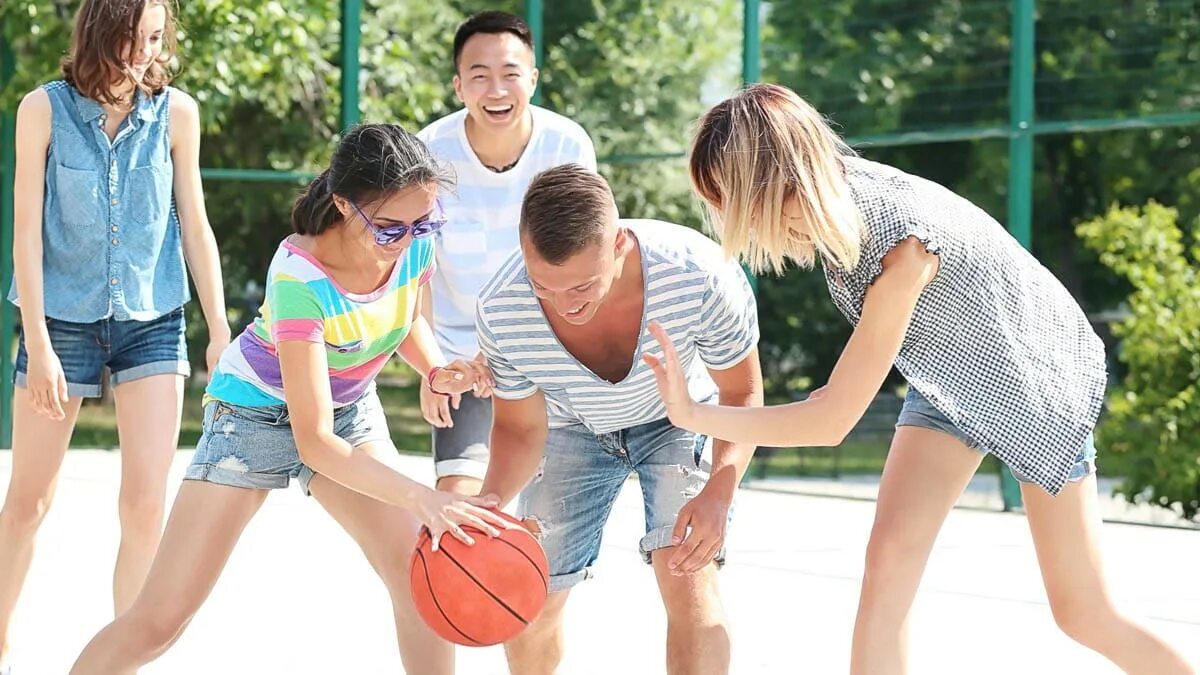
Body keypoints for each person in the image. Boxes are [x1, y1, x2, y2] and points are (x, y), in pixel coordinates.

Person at [644, 82, 1196, 675]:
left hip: (1036, 381)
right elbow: (846, 392)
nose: (730, 218)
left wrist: (693, 413)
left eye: (730, 198)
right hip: (948, 381)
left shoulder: (900, 246)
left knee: (1084, 612)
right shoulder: (837, 211)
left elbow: (832, 421)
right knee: (887, 568)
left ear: (773, 181)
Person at [69, 123, 510, 674]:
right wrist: (422, 497)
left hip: (344, 410)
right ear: (346, 205)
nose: (413, 233)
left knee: (418, 579)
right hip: (253, 419)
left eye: (426, 219)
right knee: (159, 620)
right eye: (393, 226)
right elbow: (315, 442)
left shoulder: (415, 238)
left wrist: (436, 367)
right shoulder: (300, 278)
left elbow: (406, 316)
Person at [0, 2, 230, 672]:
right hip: (61, 321)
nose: (145, 52)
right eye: (134, 36)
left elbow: (195, 224)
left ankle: (123, 655)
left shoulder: (178, 114)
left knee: (145, 500)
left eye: (156, 38)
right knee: (29, 499)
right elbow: (24, 234)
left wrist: (219, 329)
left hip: (152, 320)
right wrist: (37, 341)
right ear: (99, 30)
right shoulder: (41, 110)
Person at [475, 165, 763, 675]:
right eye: (545, 286)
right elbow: (519, 428)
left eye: (582, 285)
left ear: (620, 244)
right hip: (573, 426)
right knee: (531, 596)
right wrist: (491, 503)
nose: (565, 306)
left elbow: (740, 393)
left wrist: (720, 489)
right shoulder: (502, 308)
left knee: (687, 573)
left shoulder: (698, 273)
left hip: (679, 418)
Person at [417, 10, 596, 497]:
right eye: (480, 76)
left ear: (533, 80)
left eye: (510, 74)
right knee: (459, 507)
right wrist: (432, 369)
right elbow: (416, 274)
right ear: (458, 86)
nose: (496, 90)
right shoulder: (429, 152)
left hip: (548, 355)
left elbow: (586, 263)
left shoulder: (567, 145)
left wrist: (512, 348)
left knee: (544, 526)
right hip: (461, 363)